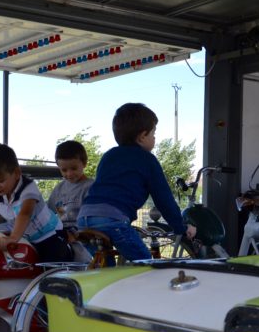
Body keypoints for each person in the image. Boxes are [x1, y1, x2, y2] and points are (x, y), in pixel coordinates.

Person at [77, 103, 196, 262]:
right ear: (142, 136)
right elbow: (163, 199)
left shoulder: (108, 156)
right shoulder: (148, 160)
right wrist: (180, 227)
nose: (154, 138)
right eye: (154, 133)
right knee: (144, 263)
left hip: (84, 218)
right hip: (113, 220)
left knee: (106, 264)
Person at [0, 143, 72, 263]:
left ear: (16, 173)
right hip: (27, 238)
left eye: (1, 180)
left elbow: (25, 214)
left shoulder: (28, 188)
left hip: (50, 236)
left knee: (51, 268)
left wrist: (13, 238)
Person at [48, 140, 94, 236]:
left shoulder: (91, 187)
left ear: (84, 163)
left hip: (84, 234)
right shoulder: (58, 189)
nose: (69, 174)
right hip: (62, 232)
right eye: (64, 170)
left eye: (74, 168)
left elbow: (93, 219)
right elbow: (48, 213)